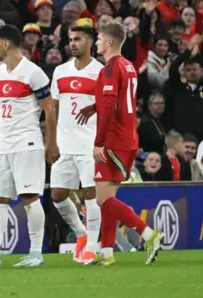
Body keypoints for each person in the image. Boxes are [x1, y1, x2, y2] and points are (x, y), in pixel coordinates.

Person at [76, 21, 163, 266]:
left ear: (110, 42)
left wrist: (99, 142)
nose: (97, 43)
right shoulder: (128, 66)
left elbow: (108, 106)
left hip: (114, 138)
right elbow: (117, 99)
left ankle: (148, 234)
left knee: (103, 200)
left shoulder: (110, 67)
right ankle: (106, 252)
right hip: (128, 136)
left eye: (100, 39)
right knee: (108, 197)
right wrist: (93, 106)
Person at [0, 25, 59, 268]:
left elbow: (49, 109)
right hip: (3, 144)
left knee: (29, 196)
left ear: (6, 44)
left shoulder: (33, 72)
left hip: (27, 141)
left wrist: (51, 143)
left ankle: (36, 252)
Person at [49, 20, 103, 264]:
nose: (72, 43)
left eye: (78, 39)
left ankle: (92, 246)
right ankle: (81, 235)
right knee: (58, 194)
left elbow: (108, 109)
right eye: (70, 40)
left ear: (89, 43)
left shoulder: (100, 71)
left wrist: (102, 143)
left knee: (91, 194)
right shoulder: (60, 71)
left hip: (90, 143)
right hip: (65, 144)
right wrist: (51, 140)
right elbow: (54, 108)